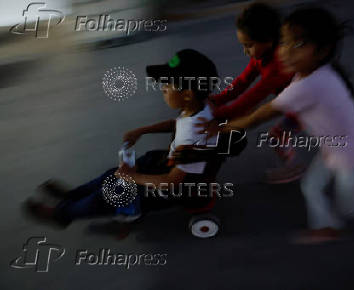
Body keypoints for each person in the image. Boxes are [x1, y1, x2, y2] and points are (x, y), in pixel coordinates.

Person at [198, 7, 354, 244]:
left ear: (322, 51)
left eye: (298, 45)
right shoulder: (310, 73)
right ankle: (327, 228)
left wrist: (218, 127)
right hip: (334, 150)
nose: (285, 52)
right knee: (311, 187)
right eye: (284, 42)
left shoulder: (306, 86)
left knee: (352, 207)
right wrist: (218, 105)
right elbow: (244, 87)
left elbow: (255, 117)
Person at [23, 49, 222, 231]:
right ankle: (72, 196)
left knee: (110, 193)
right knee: (113, 174)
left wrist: (132, 177)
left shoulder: (194, 136)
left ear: (187, 94)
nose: (162, 88)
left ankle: (62, 214)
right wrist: (142, 131)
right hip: (168, 165)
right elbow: (178, 124)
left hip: (174, 187)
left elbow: (171, 183)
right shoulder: (200, 108)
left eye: (167, 85)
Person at [207, 2, 306, 184]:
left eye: (249, 45)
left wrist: (218, 114)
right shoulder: (262, 55)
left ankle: (295, 168)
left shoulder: (278, 65)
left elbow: (251, 98)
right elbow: (242, 82)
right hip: (293, 101)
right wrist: (218, 99)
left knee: (277, 135)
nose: (246, 51)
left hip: (306, 106)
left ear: (268, 39)